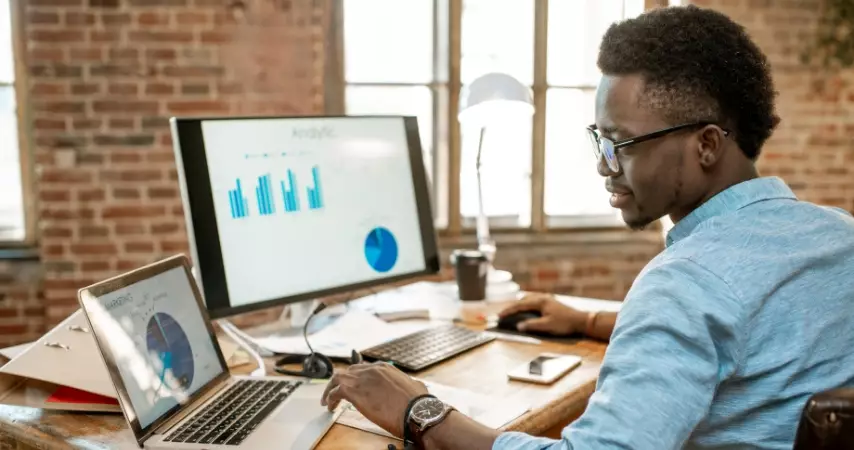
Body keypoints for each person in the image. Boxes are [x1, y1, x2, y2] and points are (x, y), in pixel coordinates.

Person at [320, 5, 854, 449]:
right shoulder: (836, 235)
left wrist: (421, 411)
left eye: (619, 143)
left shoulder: (685, 283)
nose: (604, 165)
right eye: (597, 139)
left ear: (707, 145)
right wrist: (590, 319)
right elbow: (744, 328)